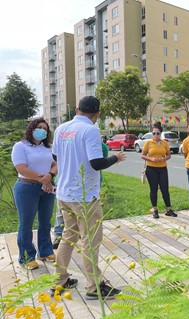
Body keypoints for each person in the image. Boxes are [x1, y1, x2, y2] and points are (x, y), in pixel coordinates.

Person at [52, 96, 126, 299]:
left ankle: (60, 280)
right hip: (84, 196)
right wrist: (115, 158)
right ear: (97, 114)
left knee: (68, 236)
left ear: (77, 109)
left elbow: (56, 157)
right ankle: (95, 286)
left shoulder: (61, 128)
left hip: (64, 193)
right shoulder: (90, 130)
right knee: (90, 241)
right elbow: (96, 163)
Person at [11, 118, 57, 270]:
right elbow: (21, 168)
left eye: (45, 128)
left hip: (47, 189)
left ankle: (45, 251)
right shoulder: (21, 146)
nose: (42, 130)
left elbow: (55, 164)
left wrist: (50, 176)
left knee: (45, 221)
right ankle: (26, 257)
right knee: (26, 224)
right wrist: (44, 179)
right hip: (27, 188)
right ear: (31, 128)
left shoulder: (48, 148)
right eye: (39, 127)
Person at [52, 139, 109, 249]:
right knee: (62, 214)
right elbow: (56, 158)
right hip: (66, 183)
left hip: (88, 184)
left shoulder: (100, 146)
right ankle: (58, 235)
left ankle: (80, 234)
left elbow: (100, 162)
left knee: (84, 216)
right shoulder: (67, 142)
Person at [141, 122, 177, 219]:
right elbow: (143, 155)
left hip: (162, 168)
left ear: (161, 133)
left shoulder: (165, 143)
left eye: (157, 133)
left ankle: (168, 209)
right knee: (154, 189)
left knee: (165, 189)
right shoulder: (148, 143)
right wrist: (151, 159)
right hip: (151, 169)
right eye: (154, 133)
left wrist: (164, 159)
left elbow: (169, 155)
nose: (155, 135)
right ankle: (155, 210)